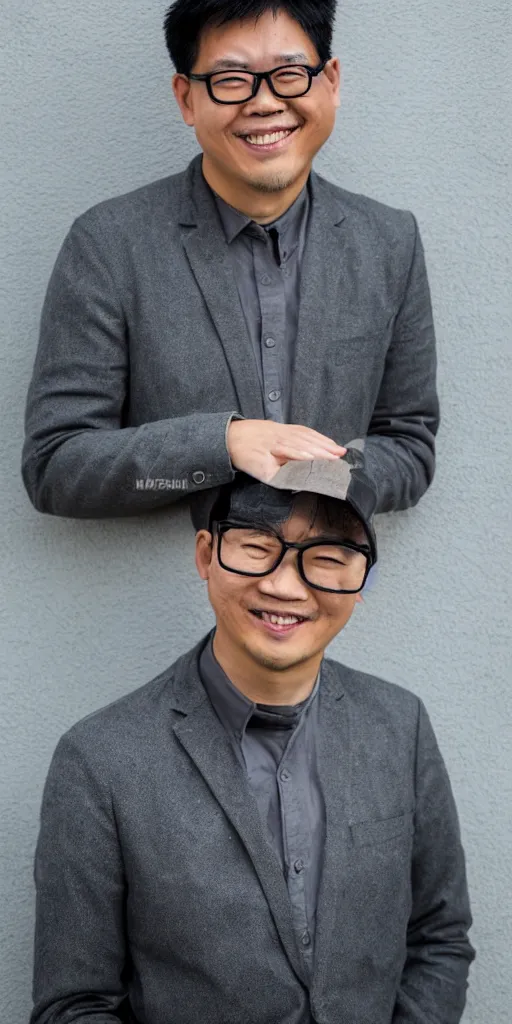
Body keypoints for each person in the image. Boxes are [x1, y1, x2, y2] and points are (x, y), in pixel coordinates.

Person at [30, 448, 474, 1024]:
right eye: (258, 548)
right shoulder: (99, 761)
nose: (287, 587)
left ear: (362, 579)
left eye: (329, 556)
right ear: (206, 555)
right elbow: (74, 1004)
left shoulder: (401, 725)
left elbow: (439, 937)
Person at [22, 0, 439, 522]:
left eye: (289, 74)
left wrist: (323, 480)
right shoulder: (108, 243)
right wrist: (222, 444)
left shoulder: (389, 241)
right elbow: (56, 466)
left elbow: (410, 445)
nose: (264, 103)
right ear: (186, 98)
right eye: (232, 80)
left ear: (330, 83)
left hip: (330, 593)